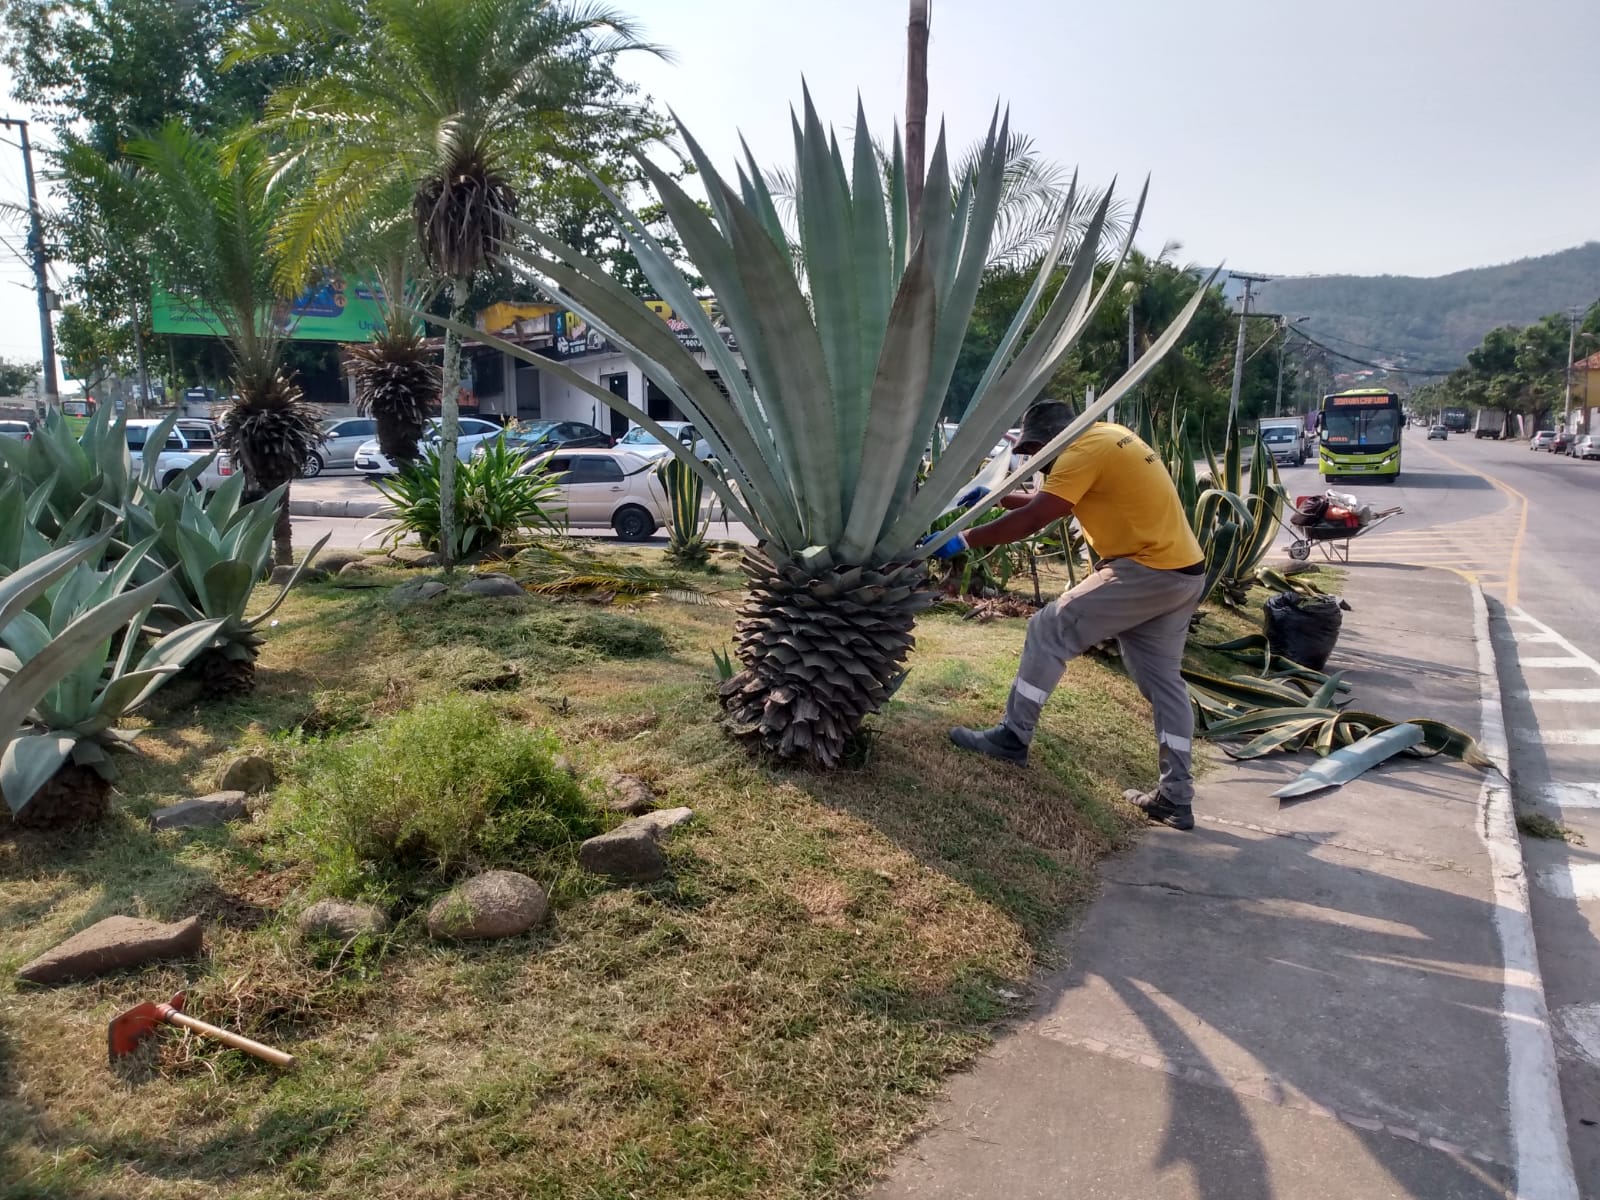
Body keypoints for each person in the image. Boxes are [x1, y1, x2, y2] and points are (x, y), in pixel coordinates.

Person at [923, 400, 1207, 831]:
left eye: (1037, 451)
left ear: (1055, 439)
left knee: (1048, 627)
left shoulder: (1080, 450)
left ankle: (1013, 737)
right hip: (1182, 574)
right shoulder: (1107, 436)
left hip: (1144, 569)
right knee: (1164, 683)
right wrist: (999, 497)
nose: (1038, 461)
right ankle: (1176, 797)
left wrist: (963, 539)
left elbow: (1037, 517)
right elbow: (1057, 500)